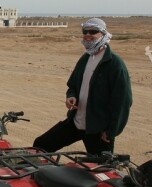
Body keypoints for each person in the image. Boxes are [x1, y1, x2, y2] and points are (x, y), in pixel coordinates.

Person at [33, 18, 132, 155]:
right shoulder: (86, 58)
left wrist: (111, 131)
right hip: (76, 122)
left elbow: (122, 102)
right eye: (85, 31)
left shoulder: (114, 64)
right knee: (41, 145)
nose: (88, 35)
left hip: (97, 129)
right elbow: (72, 84)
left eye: (93, 31)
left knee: (100, 169)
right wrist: (71, 96)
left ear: (103, 34)